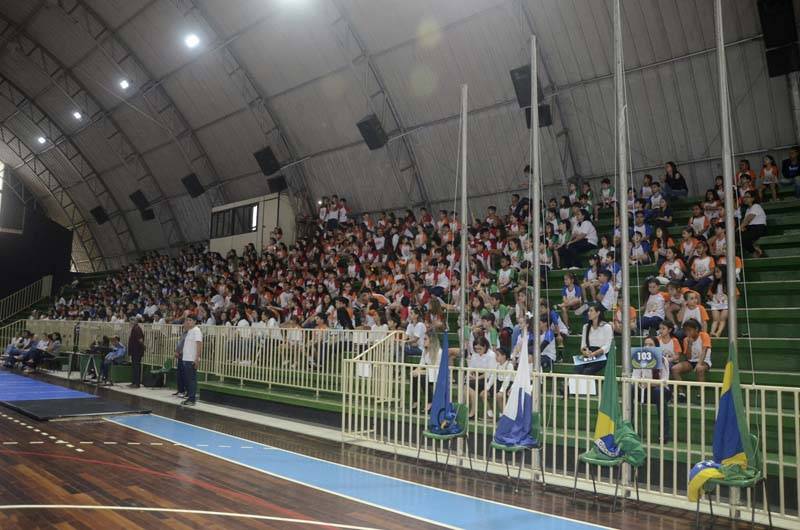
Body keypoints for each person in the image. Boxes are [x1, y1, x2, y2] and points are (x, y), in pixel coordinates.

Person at [574, 303, 613, 376]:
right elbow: (583, 345)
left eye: (591, 311)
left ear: (598, 313)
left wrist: (594, 354)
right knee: (578, 368)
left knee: (587, 371)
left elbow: (607, 346)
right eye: (588, 311)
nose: (588, 313)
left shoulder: (607, 326)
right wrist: (585, 352)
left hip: (602, 354)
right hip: (589, 352)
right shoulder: (586, 327)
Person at [672, 318, 712, 384]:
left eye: (689, 330)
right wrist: (689, 345)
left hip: (704, 361)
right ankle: (681, 389)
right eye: (685, 331)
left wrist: (699, 364)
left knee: (699, 369)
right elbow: (689, 357)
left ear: (696, 329)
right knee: (674, 369)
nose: (687, 333)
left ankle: (701, 390)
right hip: (691, 361)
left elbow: (704, 351)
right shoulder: (686, 340)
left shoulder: (704, 335)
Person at [466, 336, 497, 418]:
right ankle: (471, 411)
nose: (477, 351)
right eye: (476, 349)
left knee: (469, 386)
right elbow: (471, 367)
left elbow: (490, 372)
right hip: (476, 377)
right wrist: (469, 374)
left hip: (488, 379)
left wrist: (477, 378)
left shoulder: (491, 355)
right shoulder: (474, 354)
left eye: (480, 348)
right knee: (466, 386)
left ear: (485, 346)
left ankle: (473, 412)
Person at [409, 332, 441, 412]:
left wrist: (421, 372)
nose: (424, 341)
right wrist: (415, 370)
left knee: (422, 377)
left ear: (432, 340)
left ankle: (430, 402)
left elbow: (436, 368)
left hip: (437, 373)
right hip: (429, 372)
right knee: (414, 375)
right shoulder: (425, 351)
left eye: (425, 339)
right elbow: (421, 364)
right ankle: (416, 401)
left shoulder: (439, 351)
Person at [181, 315, 203, 406]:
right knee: (188, 380)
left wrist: (197, 358)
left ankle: (192, 399)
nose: (188, 322)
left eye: (190, 320)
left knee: (191, 380)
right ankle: (190, 397)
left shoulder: (196, 331)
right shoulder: (190, 331)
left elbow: (199, 344)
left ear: (194, 321)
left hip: (191, 359)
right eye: (187, 320)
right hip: (186, 359)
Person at [739, 192, 767, 258]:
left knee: (742, 237)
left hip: (759, 228)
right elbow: (745, 221)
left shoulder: (756, 206)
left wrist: (741, 227)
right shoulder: (748, 209)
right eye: (744, 197)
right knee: (737, 236)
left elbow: (750, 218)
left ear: (753, 198)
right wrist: (743, 227)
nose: (745, 199)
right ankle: (755, 250)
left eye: (747, 197)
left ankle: (755, 251)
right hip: (750, 228)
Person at [127, 317, 145, 388]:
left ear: (134, 322)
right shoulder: (134, 328)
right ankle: (134, 382)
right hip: (134, 351)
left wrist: (143, 347)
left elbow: (140, 339)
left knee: (136, 367)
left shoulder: (137, 329)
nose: (130, 323)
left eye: (131, 321)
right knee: (134, 367)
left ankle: (137, 383)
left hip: (137, 351)